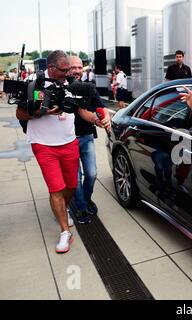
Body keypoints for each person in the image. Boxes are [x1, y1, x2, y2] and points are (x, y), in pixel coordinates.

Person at [15, 50, 98, 254]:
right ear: (51, 68)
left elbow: (81, 110)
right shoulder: (35, 83)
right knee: (56, 188)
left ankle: (62, 207)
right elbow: (20, 113)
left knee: (71, 185)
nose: (68, 73)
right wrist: (41, 111)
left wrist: (98, 120)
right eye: (63, 70)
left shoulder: (71, 83)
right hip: (43, 145)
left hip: (69, 142)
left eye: (69, 69)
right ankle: (65, 231)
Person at [68, 56, 111, 223]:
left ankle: (85, 199)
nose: (78, 71)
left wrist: (105, 117)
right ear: (67, 69)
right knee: (76, 178)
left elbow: (102, 106)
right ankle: (81, 206)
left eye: (80, 67)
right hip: (69, 140)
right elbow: (81, 112)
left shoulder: (88, 87)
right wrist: (97, 120)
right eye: (73, 67)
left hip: (86, 137)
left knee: (92, 174)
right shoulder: (64, 87)